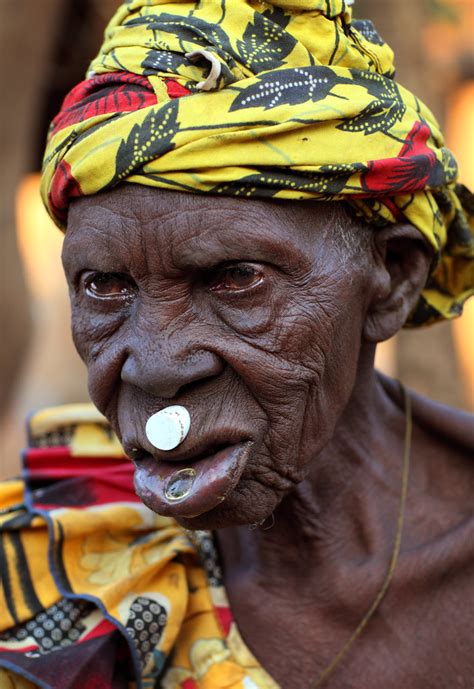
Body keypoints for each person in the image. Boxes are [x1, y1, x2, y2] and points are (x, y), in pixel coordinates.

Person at [1, 1, 473, 688]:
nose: (158, 365)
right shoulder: (52, 564)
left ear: (393, 277)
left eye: (236, 278)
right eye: (105, 286)